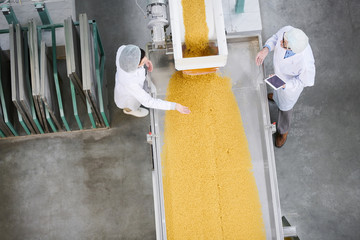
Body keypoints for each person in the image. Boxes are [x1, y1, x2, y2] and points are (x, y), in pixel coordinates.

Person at [255, 26, 315, 147]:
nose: (281, 43)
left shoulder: (305, 64)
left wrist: (284, 85)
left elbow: (303, 82)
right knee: (277, 94)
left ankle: (283, 132)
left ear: (293, 50)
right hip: (278, 76)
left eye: (284, 44)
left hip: (289, 89)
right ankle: (276, 97)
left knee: (285, 110)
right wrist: (266, 49)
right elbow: (276, 37)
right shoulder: (288, 32)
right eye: (283, 39)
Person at [114, 44, 191, 117]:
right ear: (136, 65)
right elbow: (148, 102)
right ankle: (130, 111)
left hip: (128, 85)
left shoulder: (123, 51)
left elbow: (131, 53)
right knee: (130, 106)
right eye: (142, 62)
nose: (145, 61)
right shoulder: (130, 82)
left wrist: (146, 61)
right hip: (128, 98)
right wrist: (175, 106)